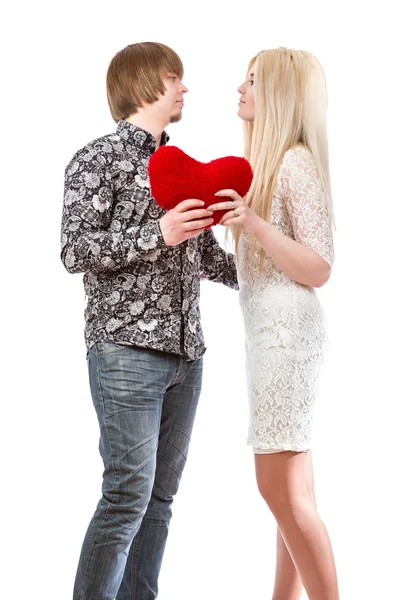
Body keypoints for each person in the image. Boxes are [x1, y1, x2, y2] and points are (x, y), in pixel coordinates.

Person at [60, 41, 238, 600]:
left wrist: (271, 259)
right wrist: (155, 234)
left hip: (187, 357)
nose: (184, 88)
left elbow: (207, 258)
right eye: (174, 77)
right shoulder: (96, 159)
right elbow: (74, 250)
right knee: (126, 496)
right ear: (143, 85)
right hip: (126, 352)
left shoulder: (182, 166)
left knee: (159, 499)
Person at [209, 48, 339, 600]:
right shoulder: (268, 167)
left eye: (254, 81)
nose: (241, 88)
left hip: (285, 339)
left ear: (281, 96)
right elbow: (258, 270)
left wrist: (254, 223)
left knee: (281, 493)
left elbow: (319, 265)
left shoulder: (293, 163)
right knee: (292, 494)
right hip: (270, 336)